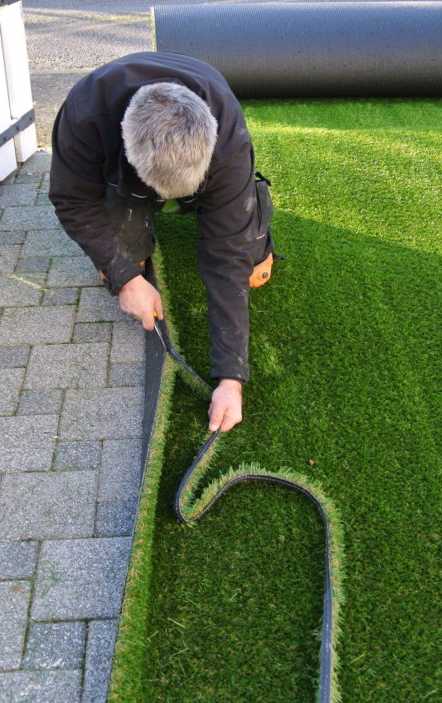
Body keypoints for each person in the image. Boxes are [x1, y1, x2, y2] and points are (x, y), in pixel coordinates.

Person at [47, 52, 275, 434]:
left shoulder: (228, 136)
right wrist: (126, 277)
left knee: (251, 266)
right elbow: (73, 201)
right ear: (123, 131)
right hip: (121, 172)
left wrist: (230, 378)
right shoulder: (85, 115)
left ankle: (223, 207)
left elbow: (227, 254)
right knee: (117, 270)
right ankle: (133, 219)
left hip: (202, 161)